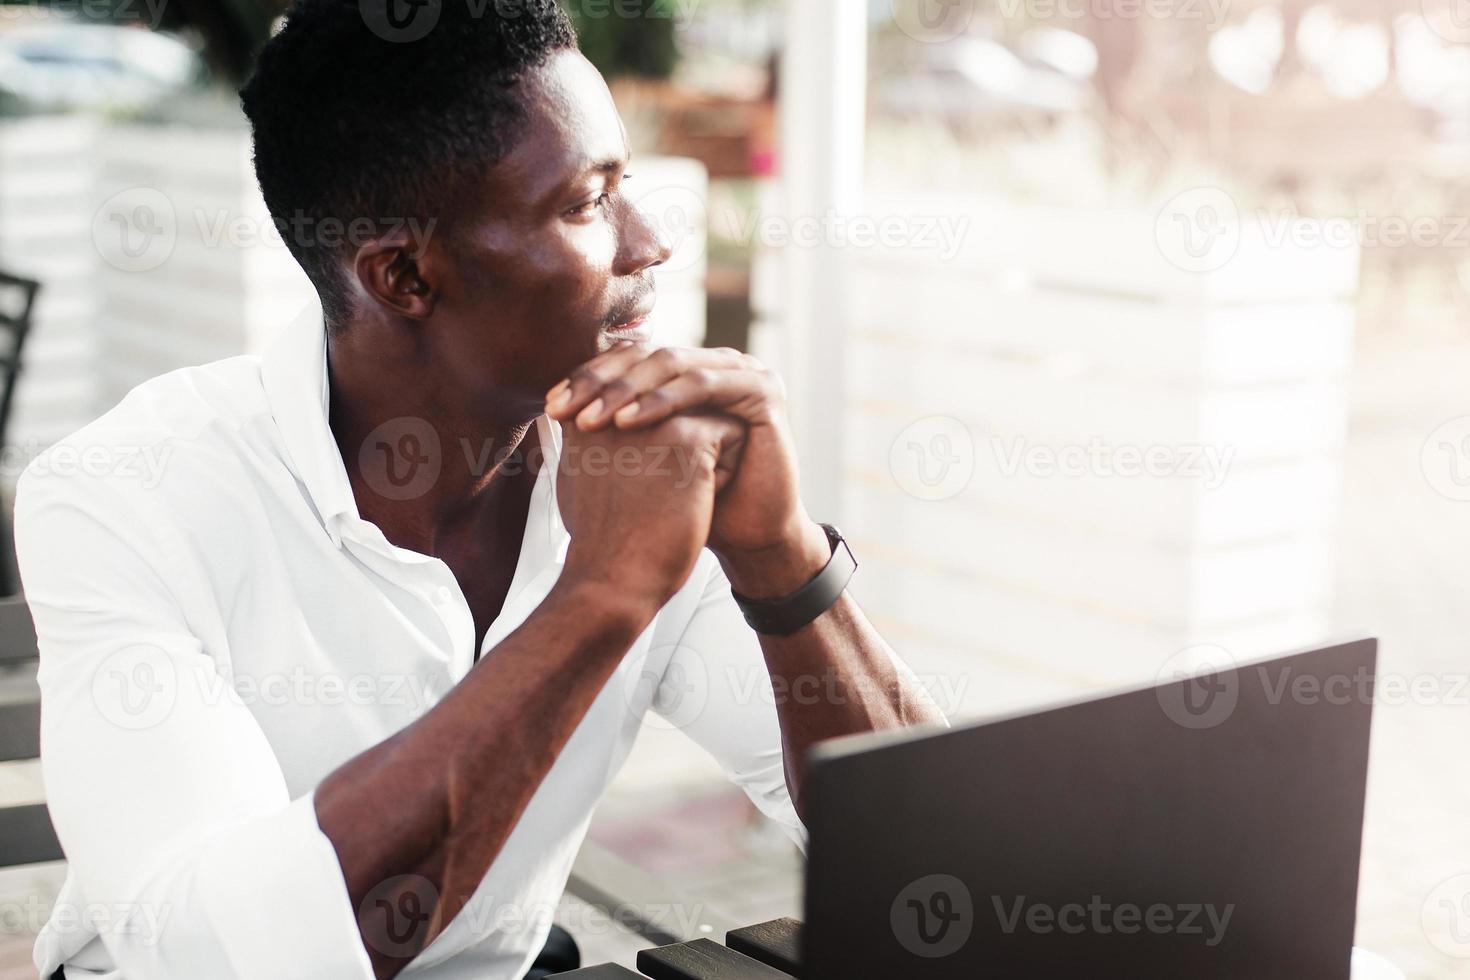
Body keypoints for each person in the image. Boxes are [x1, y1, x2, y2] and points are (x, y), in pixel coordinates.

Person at [16, 1, 943, 976]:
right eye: (588, 203)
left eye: (626, 183)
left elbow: (932, 867)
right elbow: (220, 957)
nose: (649, 244)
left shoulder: (645, 466)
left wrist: (780, 556)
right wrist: (599, 597)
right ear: (404, 275)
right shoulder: (125, 495)